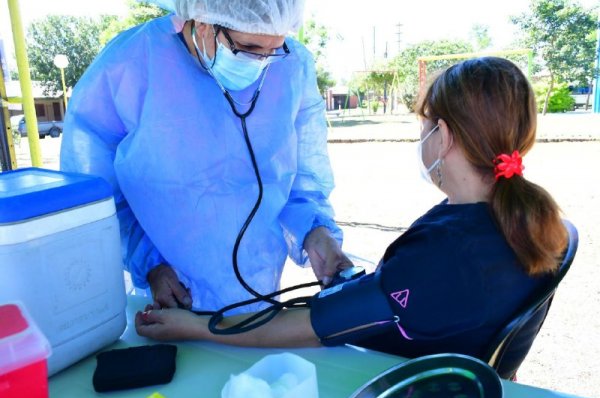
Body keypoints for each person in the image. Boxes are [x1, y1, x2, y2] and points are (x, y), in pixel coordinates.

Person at [135, 57, 569, 364]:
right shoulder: (536, 222)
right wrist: (352, 282)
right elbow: (411, 295)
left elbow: (314, 328)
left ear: (445, 135)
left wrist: (195, 327)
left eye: (424, 123)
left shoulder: (446, 252)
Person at [60, 0, 351, 314]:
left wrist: (317, 233)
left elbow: (301, 180)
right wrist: (150, 264)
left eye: (274, 49)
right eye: (249, 47)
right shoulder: (128, 64)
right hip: (167, 293)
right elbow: (93, 191)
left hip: (258, 291)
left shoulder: (292, 66)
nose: (261, 63)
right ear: (202, 24)